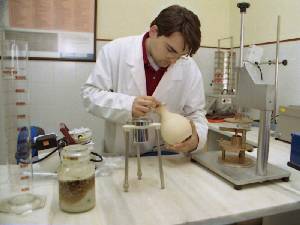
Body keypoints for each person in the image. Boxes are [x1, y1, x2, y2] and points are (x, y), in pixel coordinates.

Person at [81, 5, 208, 156]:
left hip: (166, 157)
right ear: (154, 31)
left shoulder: (189, 67)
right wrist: (128, 105)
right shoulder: (116, 51)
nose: (174, 61)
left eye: (181, 56)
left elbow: (196, 114)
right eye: (170, 50)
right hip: (123, 155)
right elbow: (90, 95)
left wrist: (196, 140)